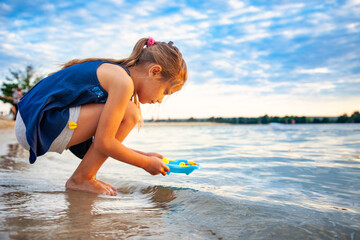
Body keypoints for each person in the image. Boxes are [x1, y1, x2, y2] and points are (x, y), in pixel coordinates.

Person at [14, 37, 187, 196]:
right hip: (38, 125)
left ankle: (84, 177)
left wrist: (145, 155)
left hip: (31, 123)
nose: (160, 100)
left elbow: (105, 141)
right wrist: (145, 163)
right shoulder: (123, 82)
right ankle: (82, 178)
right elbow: (105, 142)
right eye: (165, 91)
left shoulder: (115, 72)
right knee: (130, 113)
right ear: (154, 71)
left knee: (127, 113)